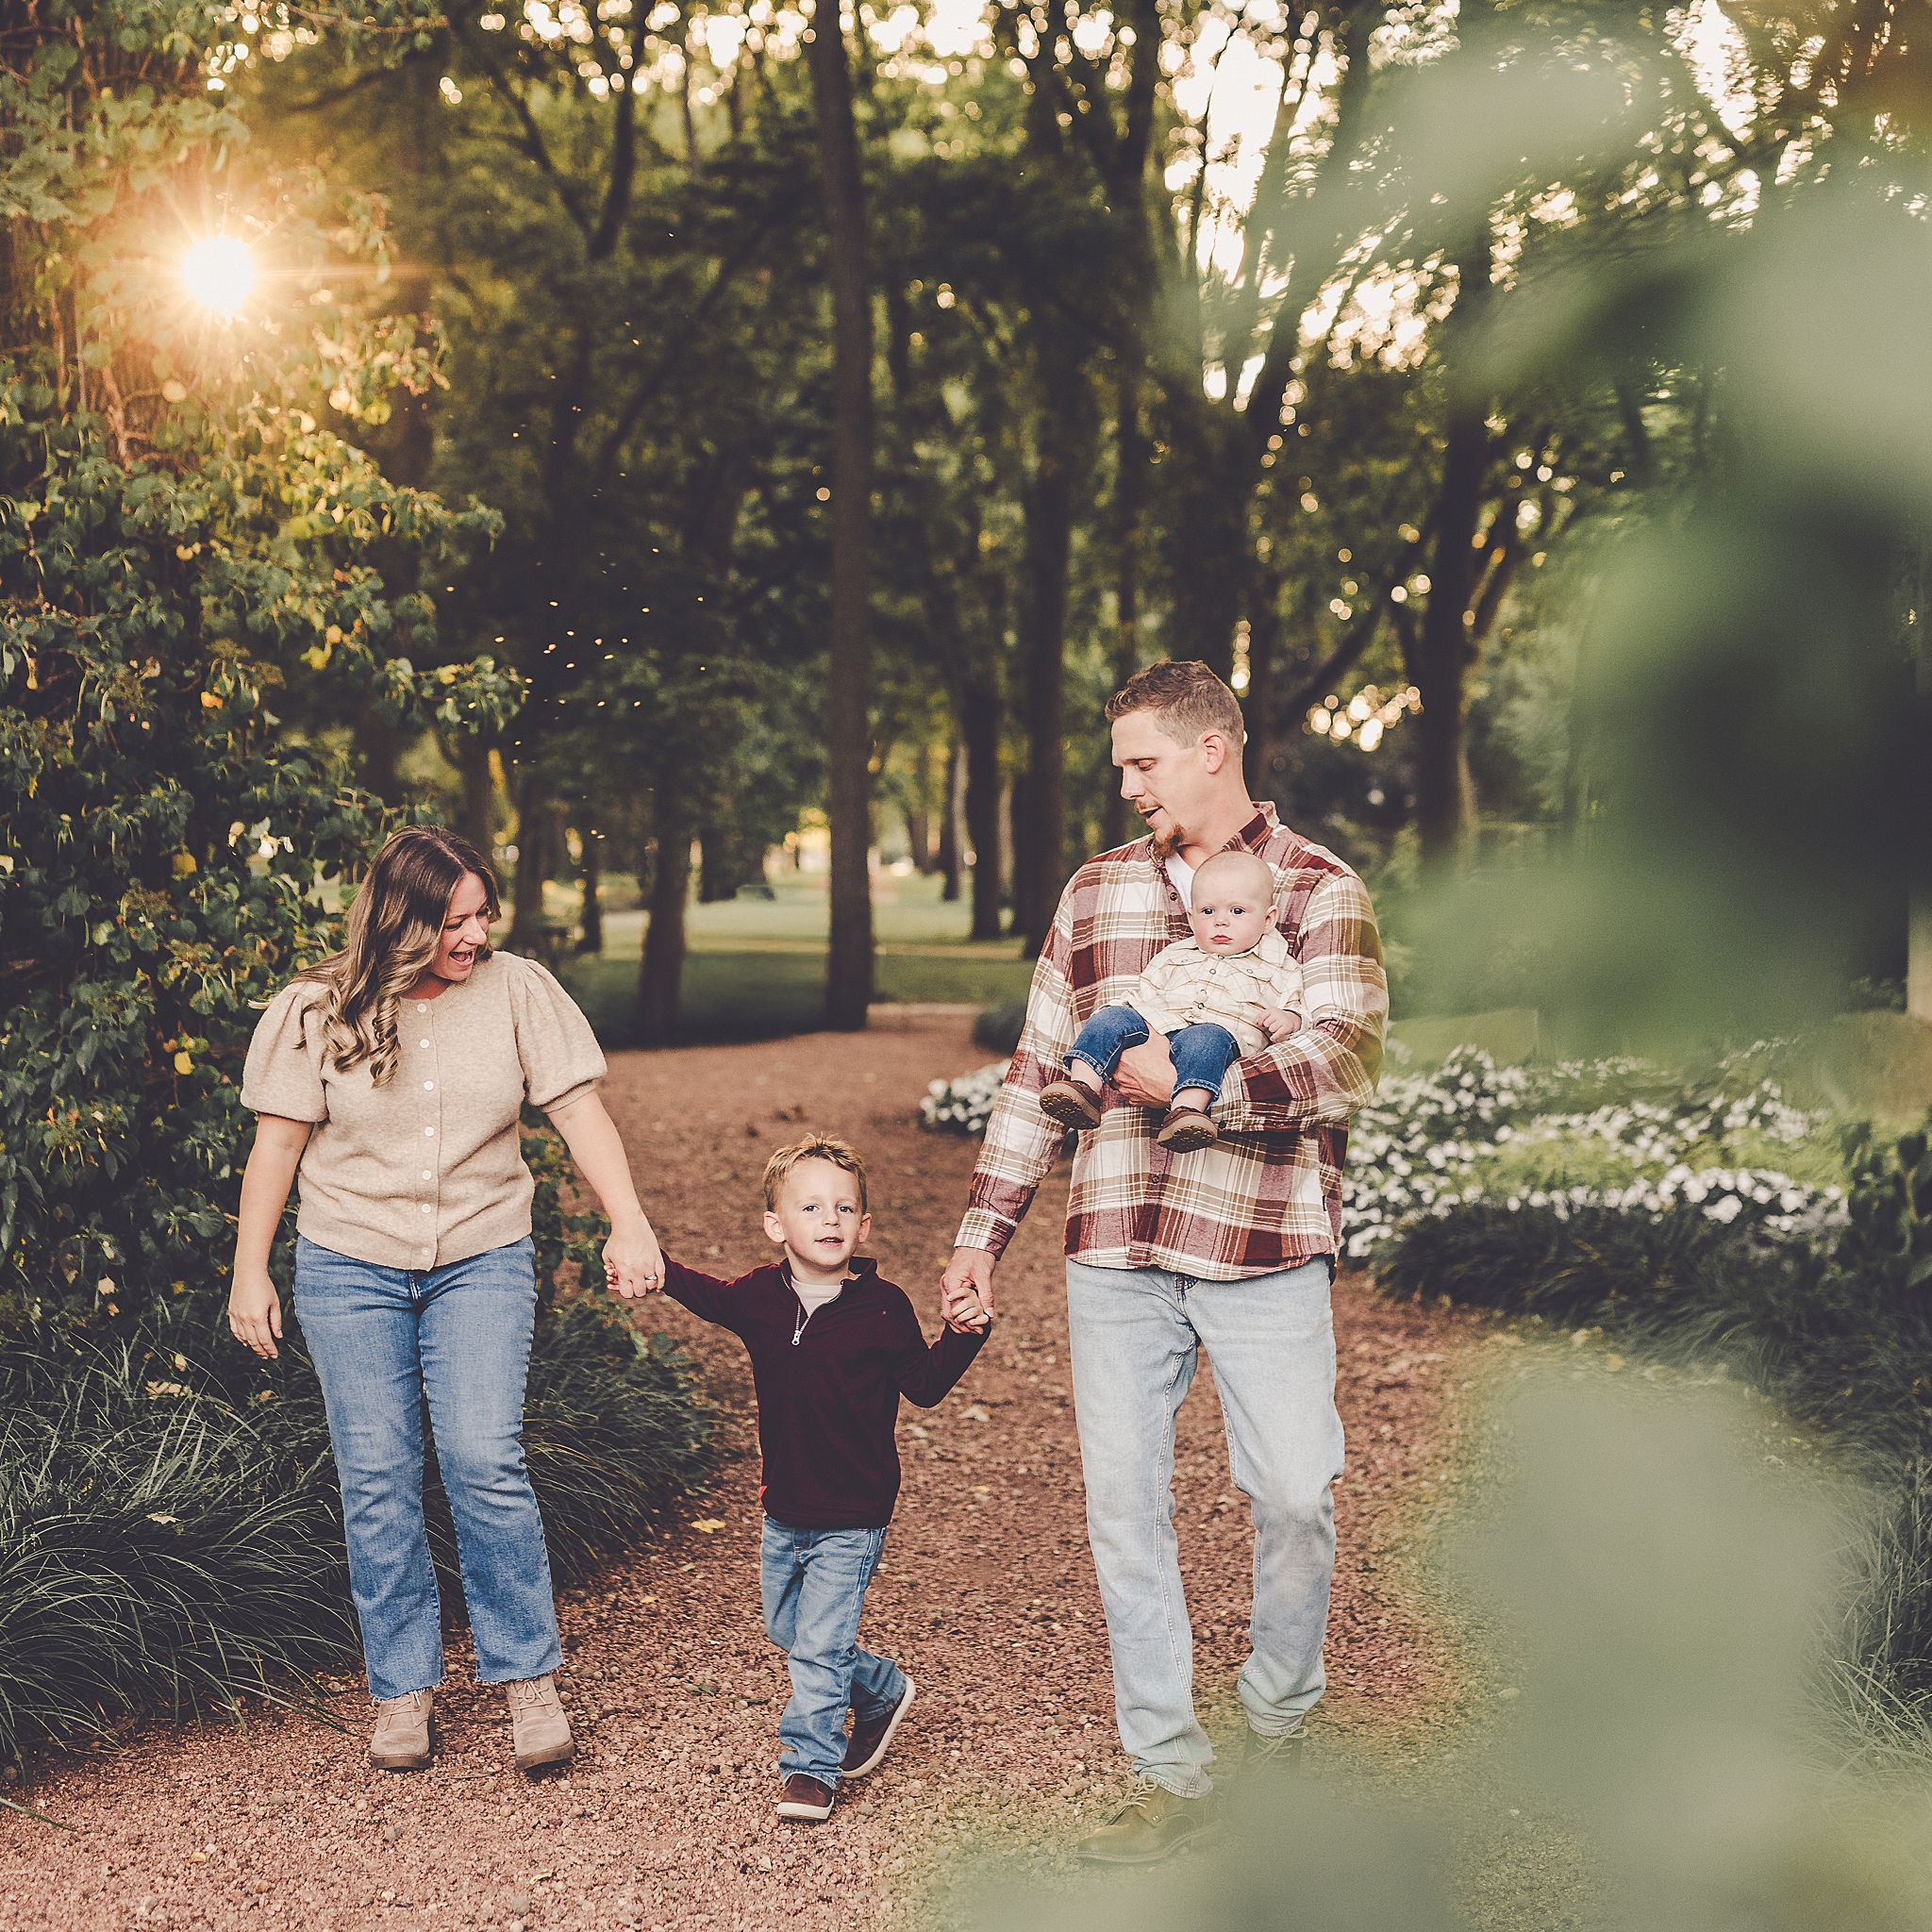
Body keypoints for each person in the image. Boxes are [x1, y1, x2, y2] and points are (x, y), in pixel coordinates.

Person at [939, 659, 1386, 1865]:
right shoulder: (1093, 896)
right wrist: (980, 1237)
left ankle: (1278, 1727)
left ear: (1210, 747)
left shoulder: (1318, 889)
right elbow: (1039, 1071)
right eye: (1121, 764)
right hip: (1118, 1244)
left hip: (1263, 1241)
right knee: (1123, 1513)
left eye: (1142, 761)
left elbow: (1345, 1058)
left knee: (1296, 1492)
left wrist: (1199, 1085)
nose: (1127, 784)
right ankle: (1168, 1769)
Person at [228, 825, 666, 1776]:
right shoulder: (318, 1008)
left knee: (481, 1453)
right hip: (350, 1263)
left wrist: (626, 1220)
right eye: (451, 919)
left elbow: (579, 1109)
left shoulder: (517, 990)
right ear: (401, 916)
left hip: (480, 1253)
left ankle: (526, 1676)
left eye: (481, 913)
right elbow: (277, 1144)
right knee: (379, 1474)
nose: (473, 934)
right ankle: (400, 1688)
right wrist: (248, 1268)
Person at [625, 1136, 988, 1824]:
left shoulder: (883, 1308)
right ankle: (880, 1689)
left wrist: (963, 1334)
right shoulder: (759, 1298)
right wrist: (654, 1269)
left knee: (818, 1649)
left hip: (855, 1510)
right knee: (786, 1626)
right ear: (776, 1225)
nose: (830, 1219)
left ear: (864, 1226)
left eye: (845, 1207)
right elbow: (698, 1290)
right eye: (812, 1206)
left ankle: (811, 1766)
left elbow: (925, 1386)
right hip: (784, 1507)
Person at [1036, 848, 1304, 1153]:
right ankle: (1083, 1087)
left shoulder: (1280, 966)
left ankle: (1186, 1112)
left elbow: (1298, 1010)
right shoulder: (1176, 955)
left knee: (1206, 1038)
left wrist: (1288, 1019)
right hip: (1159, 1031)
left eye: (1237, 912)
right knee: (1111, 1015)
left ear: (1268, 919)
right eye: (1208, 912)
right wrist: (1127, 1025)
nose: (1221, 922)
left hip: (1217, 1038)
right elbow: (1143, 994)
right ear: (1191, 917)